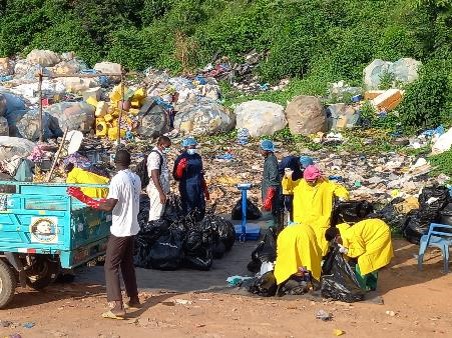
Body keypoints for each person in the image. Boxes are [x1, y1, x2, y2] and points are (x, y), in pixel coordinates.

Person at [67, 149, 141, 319]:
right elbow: (119, 201)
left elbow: (109, 206)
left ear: (115, 162)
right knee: (127, 264)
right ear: (129, 162)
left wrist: (82, 197)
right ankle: (133, 298)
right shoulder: (135, 178)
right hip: (132, 226)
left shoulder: (118, 179)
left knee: (110, 266)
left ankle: (116, 307)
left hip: (121, 227)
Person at [282, 164, 349, 256]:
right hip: (303, 220)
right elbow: (287, 188)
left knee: (320, 245)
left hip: (320, 220)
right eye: (310, 180)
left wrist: (343, 196)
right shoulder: (299, 184)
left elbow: (339, 188)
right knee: (303, 244)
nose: (312, 182)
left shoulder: (325, 184)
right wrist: (287, 177)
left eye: (314, 179)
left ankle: (320, 262)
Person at [325, 218, 394, 291]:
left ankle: (360, 288)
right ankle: (370, 285)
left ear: (337, 236)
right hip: (374, 229)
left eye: (334, 241)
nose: (336, 243)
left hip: (380, 232)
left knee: (365, 260)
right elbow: (351, 246)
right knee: (369, 262)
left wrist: (346, 251)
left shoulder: (350, 235)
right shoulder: (343, 232)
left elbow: (360, 250)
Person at [173, 137, 209, 220]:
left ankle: (199, 222)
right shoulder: (181, 158)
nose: (193, 148)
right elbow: (176, 176)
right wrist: (180, 168)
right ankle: (189, 223)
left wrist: (205, 187)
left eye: (194, 146)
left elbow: (200, 172)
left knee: (201, 205)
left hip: (198, 184)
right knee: (189, 206)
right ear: (185, 147)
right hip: (187, 185)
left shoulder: (197, 157)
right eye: (191, 147)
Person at [279, 155, 314, 223]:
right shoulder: (289, 162)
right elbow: (285, 179)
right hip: (287, 187)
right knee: (288, 205)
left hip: (295, 186)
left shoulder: (298, 166)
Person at [260, 140, 283, 231]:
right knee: (270, 209)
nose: (260, 151)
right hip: (268, 187)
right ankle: (272, 228)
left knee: (272, 209)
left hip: (271, 189)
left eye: (262, 149)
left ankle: (273, 229)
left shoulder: (271, 161)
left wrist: (271, 191)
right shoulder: (269, 159)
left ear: (267, 150)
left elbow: (273, 176)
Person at [147, 136, 171, 221]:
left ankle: (156, 231)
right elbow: (154, 175)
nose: (168, 149)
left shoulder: (160, 154)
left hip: (161, 189)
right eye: (167, 147)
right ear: (161, 145)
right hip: (156, 190)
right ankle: (152, 232)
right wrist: (160, 193)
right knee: (155, 215)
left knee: (160, 213)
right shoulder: (155, 156)